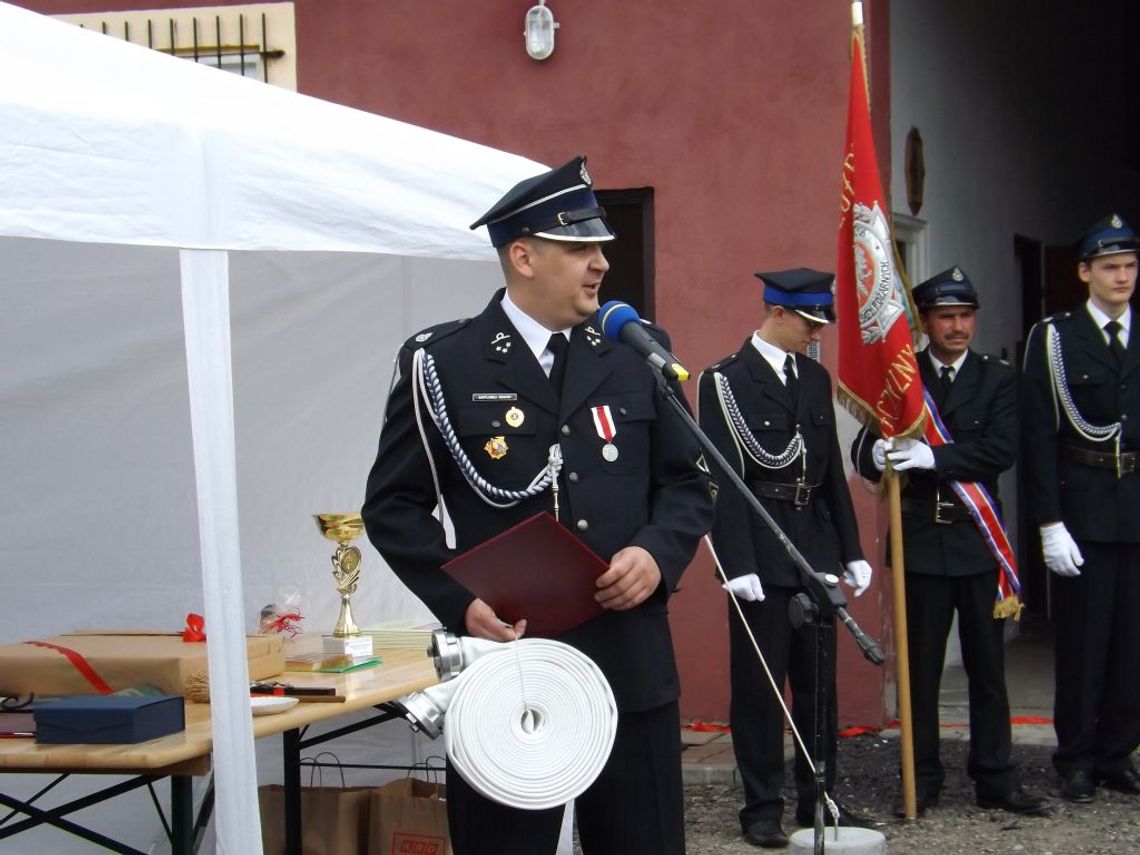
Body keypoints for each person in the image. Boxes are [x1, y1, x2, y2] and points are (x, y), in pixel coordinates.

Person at [361, 155, 715, 855]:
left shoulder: (636, 352)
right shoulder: (443, 361)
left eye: (601, 249)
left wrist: (655, 552)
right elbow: (394, 504)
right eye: (579, 248)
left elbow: (689, 482)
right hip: (508, 661)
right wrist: (457, 598)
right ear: (522, 256)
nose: (599, 265)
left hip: (628, 660)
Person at [851, 267, 1049, 816]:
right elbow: (864, 446)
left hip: (977, 541)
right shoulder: (902, 375)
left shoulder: (999, 379)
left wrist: (933, 456)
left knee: (988, 669)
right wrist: (875, 454)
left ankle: (996, 776)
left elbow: (1000, 450)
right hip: (920, 540)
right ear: (925, 322)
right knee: (921, 672)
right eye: (946, 317)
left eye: (965, 316)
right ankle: (923, 777)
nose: (958, 327)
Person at [697, 269, 874, 849]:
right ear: (777, 312)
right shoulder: (724, 381)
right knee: (760, 688)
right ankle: (762, 807)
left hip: (814, 549)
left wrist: (850, 549)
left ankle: (819, 796)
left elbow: (828, 478)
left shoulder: (815, 377)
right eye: (808, 322)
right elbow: (721, 480)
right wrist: (735, 563)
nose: (815, 333)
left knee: (818, 686)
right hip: (760, 546)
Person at [1021, 213, 1140, 803]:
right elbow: (1039, 436)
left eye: (1130, 266)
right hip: (1083, 508)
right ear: (1085, 272)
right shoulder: (1056, 337)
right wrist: (1048, 521)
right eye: (1111, 267)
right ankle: (1074, 758)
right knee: (1085, 643)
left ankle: (1118, 753)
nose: (1123, 277)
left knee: (1131, 643)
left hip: (1134, 507)